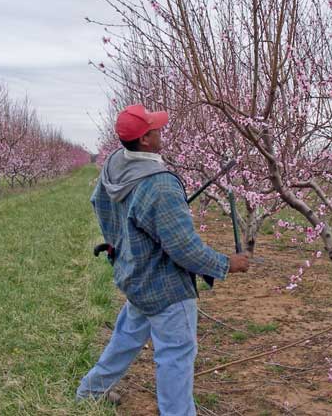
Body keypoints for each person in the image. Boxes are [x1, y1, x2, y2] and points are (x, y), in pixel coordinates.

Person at [76, 104, 250, 415]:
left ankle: (90, 391)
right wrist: (227, 264)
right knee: (175, 355)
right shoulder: (158, 184)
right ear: (145, 139)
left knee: (126, 339)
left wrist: (122, 245)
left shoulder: (115, 166)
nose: (161, 131)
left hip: (135, 276)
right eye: (156, 128)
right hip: (166, 288)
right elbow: (185, 248)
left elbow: (99, 203)